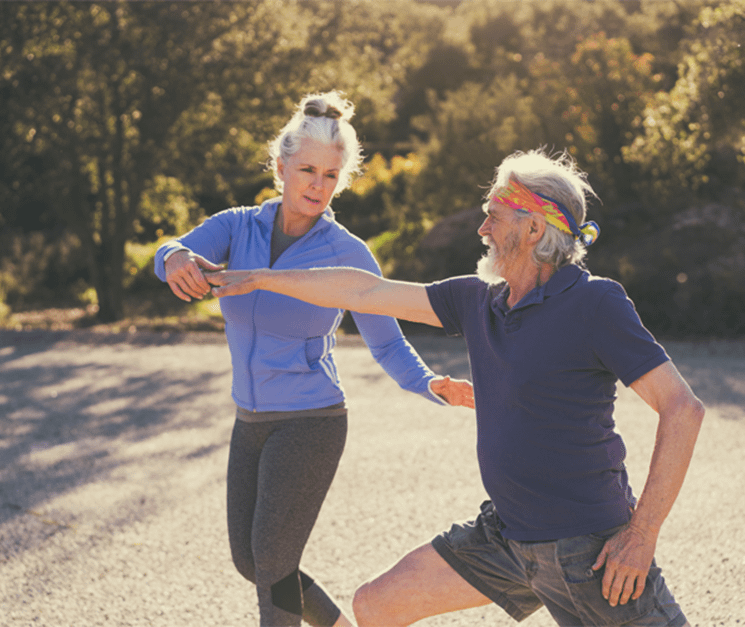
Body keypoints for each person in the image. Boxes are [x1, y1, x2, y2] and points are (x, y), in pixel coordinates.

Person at [204, 148, 706, 627]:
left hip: (586, 547)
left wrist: (641, 535)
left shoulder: (596, 303)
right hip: (505, 539)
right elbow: (364, 291)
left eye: (495, 215)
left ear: (533, 228)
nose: (483, 228)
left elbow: (683, 408)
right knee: (376, 606)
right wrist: (264, 279)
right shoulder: (479, 300)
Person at [154, 91, 474, 627]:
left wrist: (428, 383)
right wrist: (175, 258)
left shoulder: (347, 254)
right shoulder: (238, 227)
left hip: (312, 421)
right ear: (280, 167)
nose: (317, 186)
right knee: (250, 561)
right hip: (250, 419)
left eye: (330, 175)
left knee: (274, 562)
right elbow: (171, 249)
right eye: (306, 170)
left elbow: (388, 342)